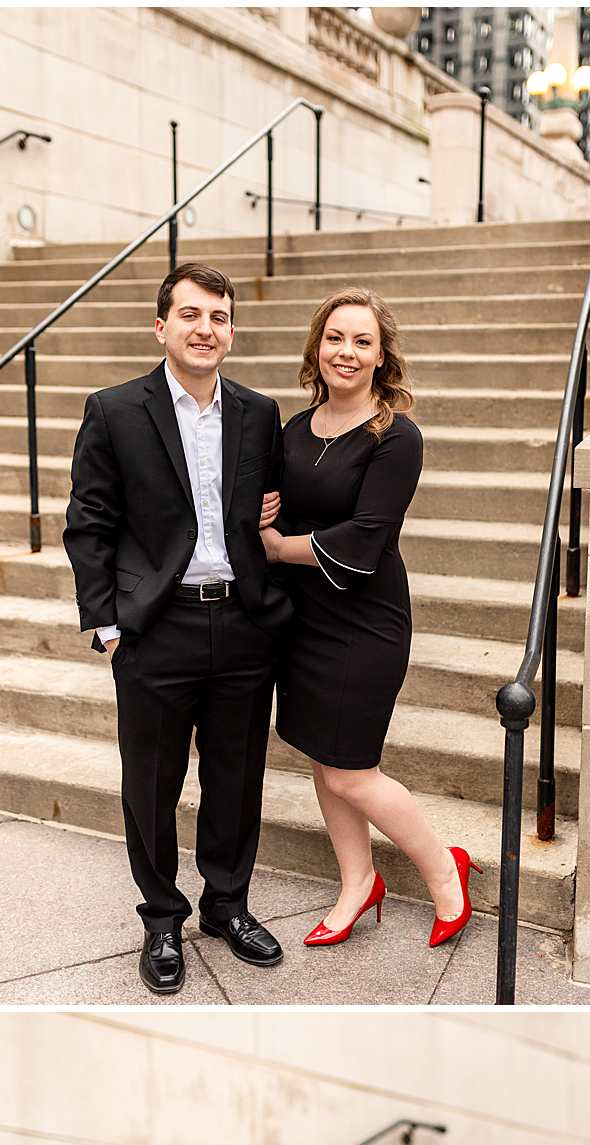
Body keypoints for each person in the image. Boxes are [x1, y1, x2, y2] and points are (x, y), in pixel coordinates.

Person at [63, 262, 292, 994]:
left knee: (236, 779)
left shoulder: (258, 413)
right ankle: (162, 917)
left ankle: (227, 906)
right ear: (160, 327)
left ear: (232, 329)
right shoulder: (114, 409)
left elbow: (275, 508)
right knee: (152, 784)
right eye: (191, 315)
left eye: (219, 317)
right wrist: (106, 624)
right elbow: (89, 524)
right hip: (155, 629)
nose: (206, 329)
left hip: (242, 622)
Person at [260, 288, 478, 951]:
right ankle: (357, 882)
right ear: (316, 346)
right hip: (303, 618)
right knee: (322, 761)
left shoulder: (396, 437)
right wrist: (260, 520)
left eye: (361, 341)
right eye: (334, 338)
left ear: (382, 356)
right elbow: (272, 506)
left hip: (365, 621)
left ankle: (445, 869)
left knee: (353, 769)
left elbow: (364, 537)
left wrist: (277, 547)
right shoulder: (293, 431)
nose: (344, 352)